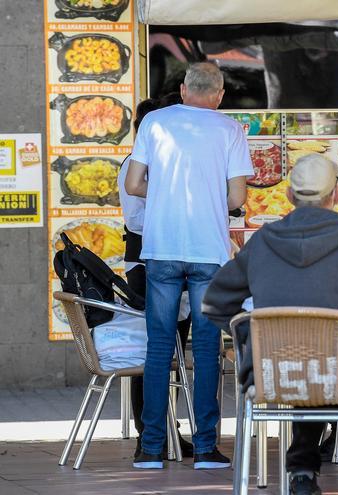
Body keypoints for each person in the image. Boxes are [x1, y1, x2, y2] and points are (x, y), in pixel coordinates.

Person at [202, 154, 338, 495]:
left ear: (288, 195)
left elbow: (214, 303)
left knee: (309, 362)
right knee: (327, 361)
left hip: (270, 371)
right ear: (337, 195)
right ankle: (302, 468)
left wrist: (250, 339)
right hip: (335, 370)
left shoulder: (263, 240)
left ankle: (302, 469)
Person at [125, 62, 253, 469]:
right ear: (218, 95)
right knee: (207, 347)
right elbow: (235, 200)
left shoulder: (155, 123)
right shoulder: (230, 130)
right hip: (207, 252)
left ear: (183, 90)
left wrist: (163, 191)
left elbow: (133, 185)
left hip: (160, 247)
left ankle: (150, 448)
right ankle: (204, 449)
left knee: (160, 346)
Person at [118, 97, 193, 458]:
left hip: (176, 262)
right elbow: (135, 221)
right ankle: (148, 432)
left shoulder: (167, 165)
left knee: (175, 350)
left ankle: (168, 428)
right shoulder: (134, 166)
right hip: (145, 266)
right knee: (151, 352)